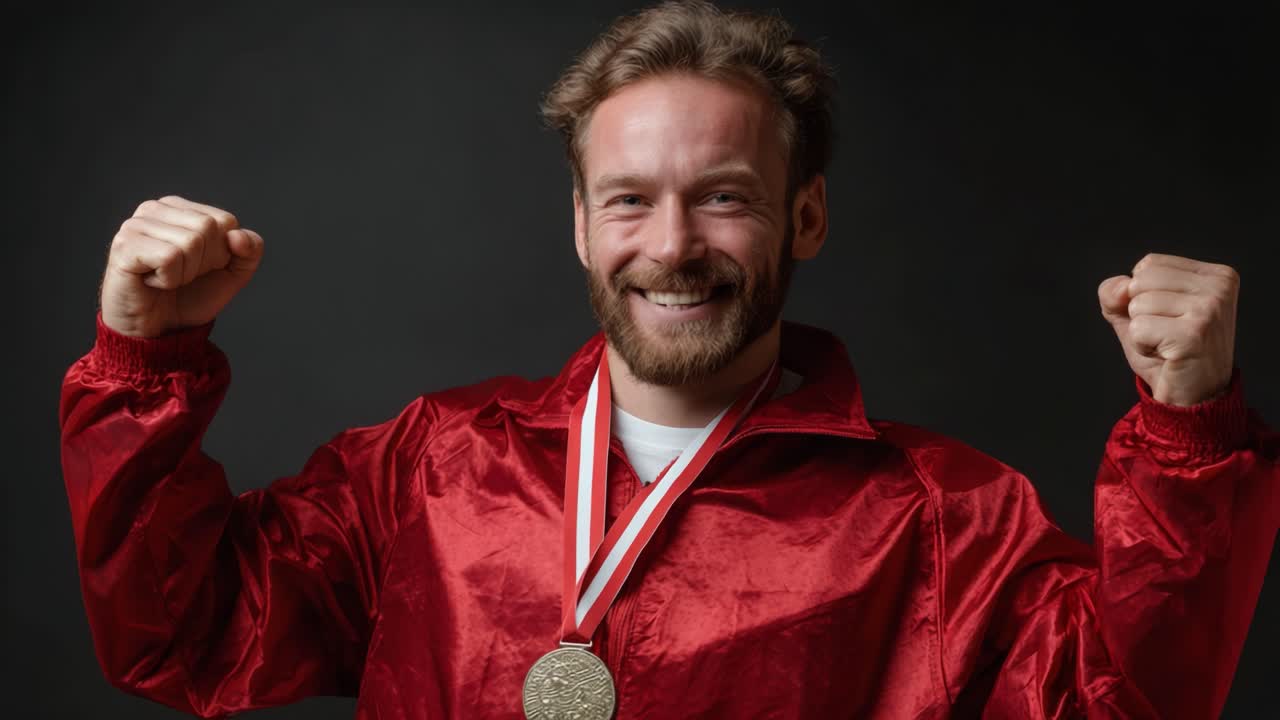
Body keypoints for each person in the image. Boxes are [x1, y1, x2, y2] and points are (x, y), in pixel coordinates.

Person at [58, 2, 1276, 719]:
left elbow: (1133, 704)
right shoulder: (424, 468)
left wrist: (1189, 434)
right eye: (629, 200)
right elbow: (183, 631)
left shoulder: (945, 520)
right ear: (581, 224)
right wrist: (144, 355)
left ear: (804, 219)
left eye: (726, 198)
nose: (674, 246)